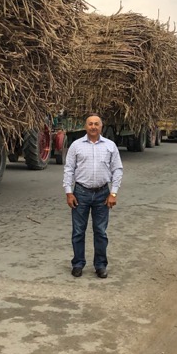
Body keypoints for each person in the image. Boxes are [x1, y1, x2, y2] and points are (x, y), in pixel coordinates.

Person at [63, 113, 123, 279]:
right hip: (80, 193)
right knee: (78, 231)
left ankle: (100, 265)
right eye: (90, 124)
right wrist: (69, 192)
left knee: (101, 231)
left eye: (97, 124)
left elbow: (117, 169)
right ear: (85, 126)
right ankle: (78, 264)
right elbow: (69, 169)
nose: (93, 127)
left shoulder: (110, 146)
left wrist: (113, 192)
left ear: (101, 127)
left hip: (103, 194)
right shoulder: (76, 146)